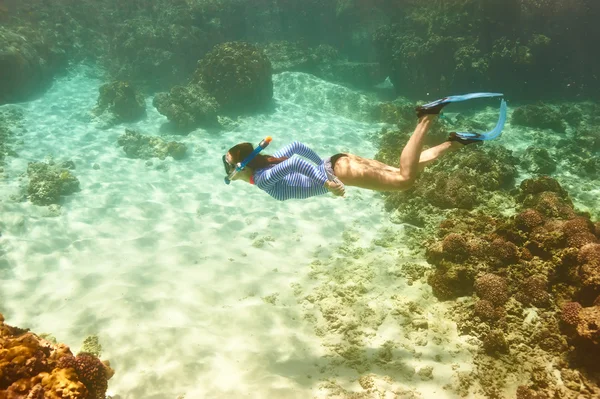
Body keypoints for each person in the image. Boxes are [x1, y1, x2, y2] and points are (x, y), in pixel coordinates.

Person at [222, 93, 507, 201]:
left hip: (341, 171)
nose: (229, 175)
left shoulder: (262, 178)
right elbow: (297, 148)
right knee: (401, 171)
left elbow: (296, 163)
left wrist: (329, 182)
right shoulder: (268, 168)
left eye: (228, 169)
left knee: (405, 181)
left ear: (239, 167)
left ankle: (426, 118)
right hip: (339, 161)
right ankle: (454, 142)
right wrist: (326, 169)